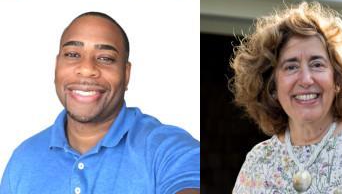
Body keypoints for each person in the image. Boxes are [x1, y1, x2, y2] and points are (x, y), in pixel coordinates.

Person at [0, 12, 200, 193]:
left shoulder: (168, 149)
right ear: (56, 66)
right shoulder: (23, 159)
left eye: (105, 58)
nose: (86, 69)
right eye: (72, 55)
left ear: (126, 74)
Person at [230, 2, 342, 193]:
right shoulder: (258, 162)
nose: (306, 79)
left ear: (338, 78)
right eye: (291, 66)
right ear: (272, 86)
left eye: (317, 64)